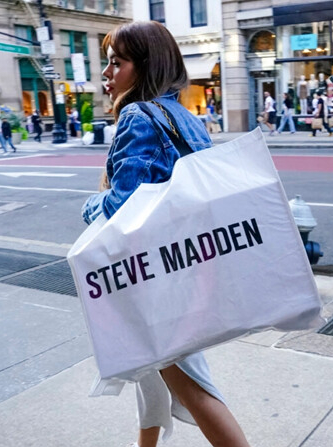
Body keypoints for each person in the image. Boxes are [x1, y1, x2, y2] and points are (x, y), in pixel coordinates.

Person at [80, 21, 250, 447]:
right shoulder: (186, 117)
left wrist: (88, 203)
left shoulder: (138, 114)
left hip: (155, 279)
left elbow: (123, 207)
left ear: (145, 66)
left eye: (116, 63)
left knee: (192, 385)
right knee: (154, 371)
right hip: (185, 267)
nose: (107, 74)